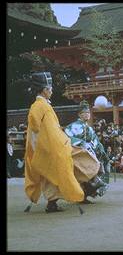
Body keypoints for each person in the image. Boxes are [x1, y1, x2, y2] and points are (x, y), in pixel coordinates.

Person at [23, 72, 84, 212]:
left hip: (50, 145)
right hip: (47, 147)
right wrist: (44, 144)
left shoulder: (42, 105)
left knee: (52, 174)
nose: (51, 91)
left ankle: (53, 202)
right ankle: (56, 202)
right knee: (54, 172)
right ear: (45, 90)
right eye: (50, 89)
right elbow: (34, 126)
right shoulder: (39, 106)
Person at [64, 101, 109, 203]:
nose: (87, 114)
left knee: (95, 168)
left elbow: (95, 140)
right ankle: (85, 192)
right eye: (85, 112)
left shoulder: (89, 127)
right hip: (78, 154)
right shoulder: (72, 126)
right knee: (83, 174)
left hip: (90, 153)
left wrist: (101, 149)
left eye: (88, 112)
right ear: (80, 114)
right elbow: (67, 137)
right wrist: (81, 143)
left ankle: (85, 195)